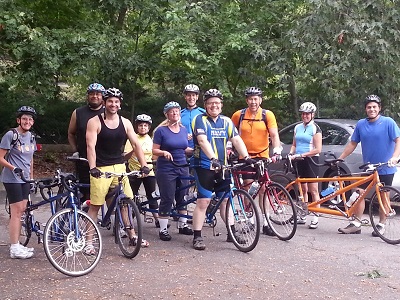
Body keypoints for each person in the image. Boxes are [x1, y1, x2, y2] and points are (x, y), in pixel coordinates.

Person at [86, 87, 150, 253]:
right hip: (101, 168)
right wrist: (92, 167)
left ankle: (132, 237)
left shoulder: (125, 122)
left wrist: (144, 165)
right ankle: (89, 243)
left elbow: (136, 144)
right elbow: (90, 146)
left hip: (120, 167)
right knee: (95, 206)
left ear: (120, 104)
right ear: (104, 103)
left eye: (116, 102)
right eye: (110, 101)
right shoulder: (95, 122)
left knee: (125, 203)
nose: (113, 104)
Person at [190, 88, 255, 250]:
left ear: (221, 105)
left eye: (217, 103)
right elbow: (202, 141)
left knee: (226, 200)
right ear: (205, 105)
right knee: (203, 201)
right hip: (204, 166)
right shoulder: (200, 119)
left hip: (223, 167)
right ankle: (197, 236)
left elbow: (236, 139)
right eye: (211, 103)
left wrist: (246, 157)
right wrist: (213, 159)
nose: (214, 106)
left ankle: (232, 232)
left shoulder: (226, 121)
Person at [337, 94, 400, 235]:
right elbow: (353, 143)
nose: (371, 109)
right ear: (366, 109)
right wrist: (340, 158)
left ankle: (381, 225)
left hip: (385, 167)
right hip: (368, 167)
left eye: (374, 107)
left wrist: (395, 157)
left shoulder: (388, 122)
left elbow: (398, 140)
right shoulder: (361, 124)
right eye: (369, 107)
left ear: (379, 108)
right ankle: (356, 223)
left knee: (383, 195)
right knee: (359, 193)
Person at [231, 87, 282, 236]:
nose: (253, 102)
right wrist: (229, 147)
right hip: (245, 156)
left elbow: (274, 134)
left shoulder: (267, 115)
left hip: (262, 156)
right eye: (250, 99)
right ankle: (251, 219)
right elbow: (230, 132)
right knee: (248, 189)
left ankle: (266, 222)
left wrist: (277, 149)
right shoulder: (238, 115)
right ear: (246, 100)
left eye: (256, 99)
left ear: (261, 100)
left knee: (263, 189)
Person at [152, 101, 194, 241]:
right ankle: (163, 229)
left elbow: (184, 148)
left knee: (183, 196)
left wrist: (195, 150)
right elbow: (154, 150)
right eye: (172, 111)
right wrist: (163, 152)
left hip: (182, 166)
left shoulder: (183, 130)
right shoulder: (161, 131)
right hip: (166, 168)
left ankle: (182, 225)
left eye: (177, 111)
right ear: (167, 114)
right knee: (168, 197)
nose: (175, 113)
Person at [0, 106, 37, 259]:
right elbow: (1, 157)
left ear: (32, 122)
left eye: (29, 119)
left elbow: (31, 159)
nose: (27, 121)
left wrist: (32, 177)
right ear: (18, 120)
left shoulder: (31, 137)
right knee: (16, 212)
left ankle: (17, 244)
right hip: (12, 178)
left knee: (22, 210)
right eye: (24, 119)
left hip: (25, 179)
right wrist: (13, 168)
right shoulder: (11, 135)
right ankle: (14, 247)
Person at [67, 82, 105, 201]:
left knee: (108, 192)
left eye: (98, 94)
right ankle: (86, 217)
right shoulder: (78, 112)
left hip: (105, 158)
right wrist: (75, 150)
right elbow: (71, 133)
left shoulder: (108, 112)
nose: (95, 96)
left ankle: (105, 219)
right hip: (84, 159)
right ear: (87, 96)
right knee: (87, 193)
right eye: (92, 94)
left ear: (102, 96)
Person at [288, 101, 322, 229]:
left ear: (312, 115)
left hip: (311, 161)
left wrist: (303, 155)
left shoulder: (315, 128)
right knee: (303, 190)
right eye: (303, 114)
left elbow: (318, 149)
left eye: (308, 114)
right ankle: (303, 214)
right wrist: (291, 154)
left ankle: (316, 216)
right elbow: (294, 145)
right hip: (299, 160)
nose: (305, 116)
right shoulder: (298, 127)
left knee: (313, 190)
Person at [124, 114, 161, 227]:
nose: (143, 128)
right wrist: (134, 149)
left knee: (152, 196)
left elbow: (154, 154)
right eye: (140, 125)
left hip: (148, 171)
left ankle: (157, 219)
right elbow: (125, 155)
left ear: (149, 128)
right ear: (136, 127)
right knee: (130, 197)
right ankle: (127, 222)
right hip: (134, 171)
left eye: (145, 126)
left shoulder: (151, 140)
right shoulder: (132, 138)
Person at [180, 84, 205, 149]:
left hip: (200, 148)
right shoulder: (179, 114)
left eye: (193, 95)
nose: (191, 98)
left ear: (197, 97)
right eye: (189, 95)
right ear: (185, 97)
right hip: (183, 149)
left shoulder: (204, 113)